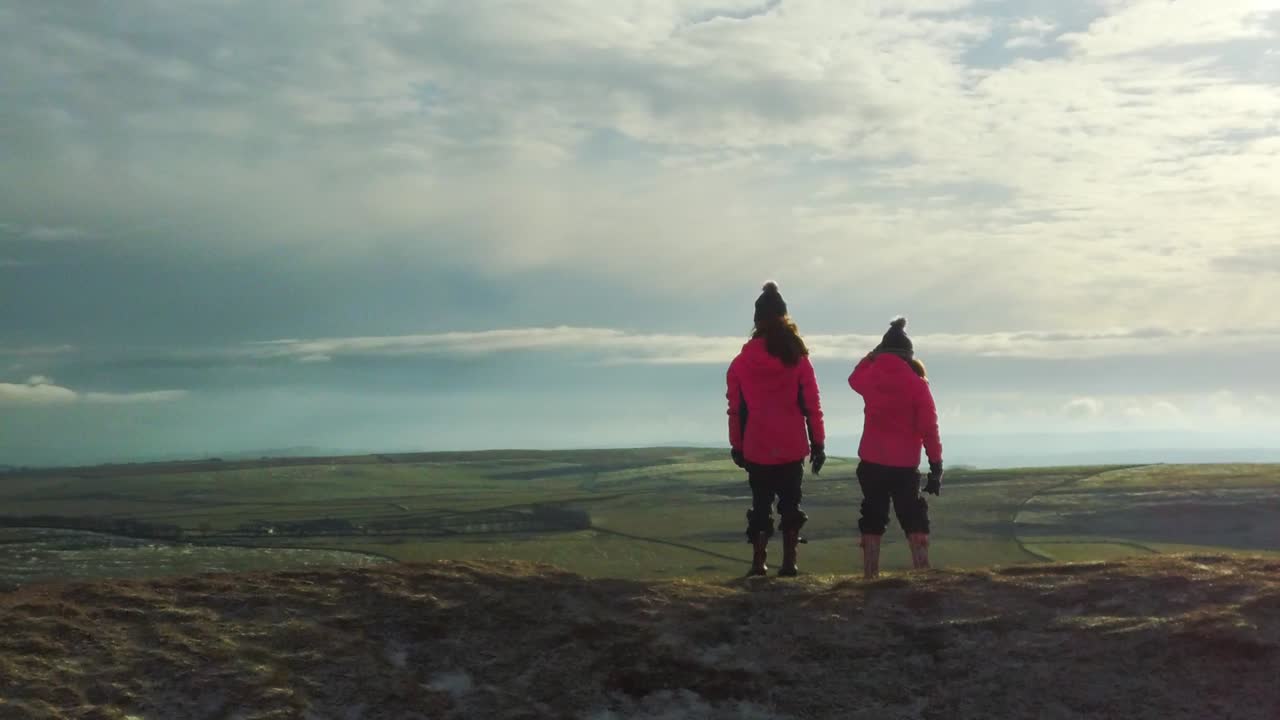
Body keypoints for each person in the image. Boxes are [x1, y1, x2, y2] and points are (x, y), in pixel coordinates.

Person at [727, 282, 826, 577]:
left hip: (757, 444)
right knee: (790, 504)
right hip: (792, 444)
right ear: (784, 317)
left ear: (757, 322)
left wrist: (737, 445)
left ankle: (759, 562)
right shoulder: (798, 358)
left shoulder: (741, 363)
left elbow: (736, 409)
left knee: (760, 505)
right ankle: (790, 562)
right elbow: (812, 405)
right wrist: (818, 443)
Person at [848, 317, 943, 579]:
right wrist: (936, 466)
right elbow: (929, 428)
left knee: (873, 514)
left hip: (871, 461)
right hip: (904, 465)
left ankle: (870, 573)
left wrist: (871, 356)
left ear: (883, 352)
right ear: (908, 355)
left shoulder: (870, 378)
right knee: (913, 515)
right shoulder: (917, 384)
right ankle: (922, 571)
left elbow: (853, 378)